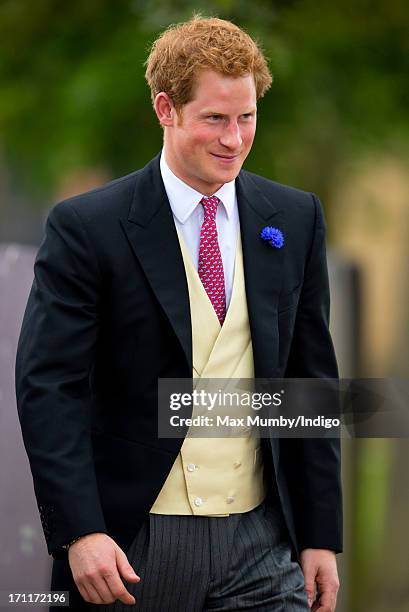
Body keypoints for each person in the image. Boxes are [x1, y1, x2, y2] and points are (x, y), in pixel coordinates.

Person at [15, 15, 342, 612]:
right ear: (166, 109)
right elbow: (48, 386)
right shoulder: (88, 227)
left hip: (261, 541)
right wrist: (80, 531)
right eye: (214, 119)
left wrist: (321, 534)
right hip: (131, 544)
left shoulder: (295, 219)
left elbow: (309, 384)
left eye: (246, 118)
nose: (235, 139)